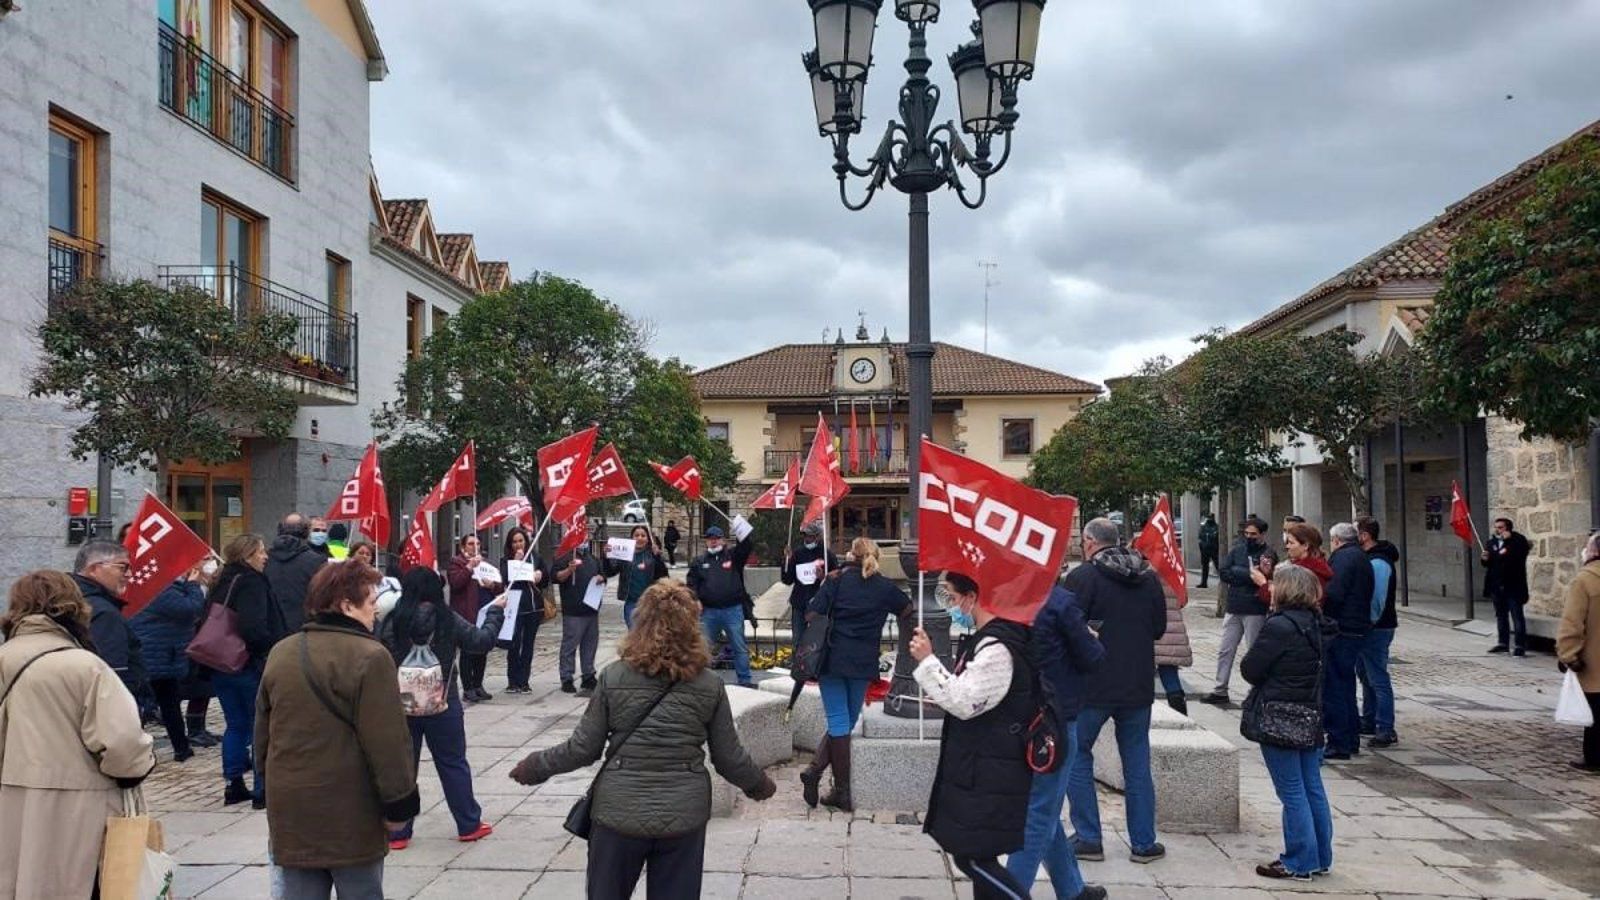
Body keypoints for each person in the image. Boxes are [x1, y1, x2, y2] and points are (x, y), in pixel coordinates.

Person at [508, 580, 776, 899]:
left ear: (641, 622)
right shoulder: (708, 685)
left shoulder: (614, 676)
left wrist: (536, 766)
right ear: (692, 626)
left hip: (618, 812)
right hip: (683, 814)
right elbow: (728, 756)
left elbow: (583, 748)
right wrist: (758, 784)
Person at [257, 560, 420, 899]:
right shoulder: (371, 656)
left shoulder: (281, 652)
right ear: (347, 606)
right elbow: (388, 742)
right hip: (350, 808)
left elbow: (262, 734)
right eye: (371, 604)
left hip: (292, 806)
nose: (375, 612)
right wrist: (399, 806)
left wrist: (268, 785)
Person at [0, 571, 158, 900]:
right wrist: (140, 765)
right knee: (77, 884)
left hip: (11, 799)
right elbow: (123, 744)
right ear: (72, 606)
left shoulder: (5, 658)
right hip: (79, 807)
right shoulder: (85, 666)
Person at [909, 572, 1036, 898]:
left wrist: (928, 662)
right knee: (977, 854)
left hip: (990, 768)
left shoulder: (997, 647)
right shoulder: (989, 637)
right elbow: (971, 695)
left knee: (972, 857)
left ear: (972, 596)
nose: (951, 605)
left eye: (951, 596)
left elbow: (966, 702)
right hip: (982, 763)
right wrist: (942, 690)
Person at [1062, 517, 1168, 865]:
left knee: (1078, 754)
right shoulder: (1148, 578)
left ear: (1090, 542)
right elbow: (1158, 628)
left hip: (1093, 682)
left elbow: (1069, 630)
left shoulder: (1082, 578)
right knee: (1137, 761)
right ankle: (1143, 842)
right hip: (1137, 683)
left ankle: (1089, 836)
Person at [380, 568, 507, 848]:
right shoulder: (447, 618)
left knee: (403, 768)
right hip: (442, 703)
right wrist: (496, 613)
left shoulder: (393, 620)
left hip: (401, 706)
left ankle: (398, 832)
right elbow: (481, 642)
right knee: (452, 764)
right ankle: (468, 823)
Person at [1008, 584, 1106, 900]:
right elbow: (1091, 657)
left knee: (1044, 806)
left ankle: (1071, 888)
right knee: (1039, 813)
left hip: (1018, 714)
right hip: (1056, 718)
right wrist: (1092, 639)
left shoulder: (1007, 594)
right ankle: (1007, 892)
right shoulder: (1059, 602)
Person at [799, 538, 911, 812]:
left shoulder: (836, 581)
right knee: (846, 722)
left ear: (851, 554)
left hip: (833, 659)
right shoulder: (885, 587)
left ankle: (836, 787)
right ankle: (825, 780)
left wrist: (822, 585)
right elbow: (907, 610)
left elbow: (811, 614)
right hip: (862, 663)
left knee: (840, 722)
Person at [1240, 563, 1336, 881]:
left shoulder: (1280, 626)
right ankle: (1320, 856)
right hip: (1310, 713)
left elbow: (1252, 668)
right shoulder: (1318, 624)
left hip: (1280, 714)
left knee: (1292, 791)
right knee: (1312, 787)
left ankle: (1299, 859)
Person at [206, 532, 288, 807]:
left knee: (235, 724)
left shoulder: (221, 579)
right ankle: (261, 789)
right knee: (260, 725)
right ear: (248, 555)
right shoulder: (252, 582)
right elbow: (253, 627)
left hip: (221, 664)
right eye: (261, 552)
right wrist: (268, 648)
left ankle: (233, 784)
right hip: (247, 665)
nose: (266, 557)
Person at [130, 563, 208, 762]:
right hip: (156, 656)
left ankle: (181, 747)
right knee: (150, 705)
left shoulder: (160, 585)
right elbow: (189, 609)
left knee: (168, 704)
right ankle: (146, 751)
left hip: (161, 656)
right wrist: (193, 585)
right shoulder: (159, 588)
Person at [1202, 517, 1272, 706]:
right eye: (1246, 534)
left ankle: (1253, 692)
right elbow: (1224, 572)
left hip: (1255, 609)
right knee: (1225, 649)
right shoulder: (1237, 551)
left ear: (1262, 535)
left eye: (1253, 534)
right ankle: (1220, 688)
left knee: (1252, 651)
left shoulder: (1267, 554)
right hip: (1234, 606)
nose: (1249, 537)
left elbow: (1266, 577)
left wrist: (1241, 573)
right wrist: (1248, 574)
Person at [72, 540, 149, 704]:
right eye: (122, 567)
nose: (129, 575)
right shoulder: (104, 612)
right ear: (94, 569)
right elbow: (112, 673)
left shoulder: (70, 599)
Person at [1321, 523, 1374, 761]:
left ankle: (1340, 741)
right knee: (1346, 684)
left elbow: (1335, 593)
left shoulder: (1344, 558)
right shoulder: (1360, 556)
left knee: (1337, 686)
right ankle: (1349, 738)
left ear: (1336, 540)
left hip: (1343, 628)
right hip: (1355, 626)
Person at [687, 523, 756, 689]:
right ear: (706, 542)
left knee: (739, 646)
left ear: (723, 540)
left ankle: (745, 680)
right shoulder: (699, 561)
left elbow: (746, 546)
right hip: (708, 612)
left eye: (717, 538)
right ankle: (702, 682)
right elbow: (691, 583)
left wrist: (741, 530)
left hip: (733, 610)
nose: (714, 542)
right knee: (704, 648)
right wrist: (695, 599)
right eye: (710, 539)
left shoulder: (733, 557)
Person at [1557, 533, 1600, 772]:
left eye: (1587, 547)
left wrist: (1568, 655)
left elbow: (1572, 623)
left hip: (1594, 662)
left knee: (1595, 713)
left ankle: (1594, 758)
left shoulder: (1585, 581)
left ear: (1593, 552)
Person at [1355, 517, 1400, 749]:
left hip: (1377, 627)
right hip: (1370, 626)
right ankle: (1370, 718)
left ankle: (1385, 726)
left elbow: (1377, 598)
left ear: (1364, 536)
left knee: (1377, 677)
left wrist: (1368, 622)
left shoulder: (1379, 562)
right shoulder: (1370, 559)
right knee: (1365, 674)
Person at [448, 533, 501, 702]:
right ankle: (468, 687)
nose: (475, 546)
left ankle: (478, 684)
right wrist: (469, 567)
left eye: (477, 543)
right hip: (466, 613)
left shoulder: (485, 565)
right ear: (463, 547)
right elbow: (456, 583)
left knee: (482, 650)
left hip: (483, 611)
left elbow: (499, 586)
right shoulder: (456, 564)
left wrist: (492, 584)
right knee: (468, 652)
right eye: (471, 544)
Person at [555, 542, 613, 694]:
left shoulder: (592, 559)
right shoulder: (565, 557)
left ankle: (588, 675)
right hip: (573, 610)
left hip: (591, 609)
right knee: (570, 645)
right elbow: (555, 577)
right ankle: (566, 677)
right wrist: (569, 570)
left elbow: (604, 574)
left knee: (590, 645)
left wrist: (602, 577)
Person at [498, 527, 549, 694]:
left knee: (528, 645)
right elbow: (505, 579)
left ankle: (524, 681)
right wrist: (516, 561)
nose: (518, 544)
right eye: (514, 541)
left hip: (533, 607)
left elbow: (546, 579)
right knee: (514, 644)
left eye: (521, 541)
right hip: (515, 607)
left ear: (526, 542)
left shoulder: (535, 557)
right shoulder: (506, 560)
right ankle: (512, 680)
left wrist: (540, 575)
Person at [782, 520, 839, 654]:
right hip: (799, 602)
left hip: (819, 604)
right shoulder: (797, 553)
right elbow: (787, 580)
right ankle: (799, 666)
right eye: (806, 536)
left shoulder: (827, 555)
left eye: (811, 536)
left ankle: (818, 666)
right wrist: (786, 561)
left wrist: (822, 577)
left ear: (817, 537)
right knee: (798, 639)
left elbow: (836, 579)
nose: (808, 539)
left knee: (819, 639)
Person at [265, 513, 326, 633]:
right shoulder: (316, 561)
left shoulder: (264, 559)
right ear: (307, 532)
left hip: (270, 630)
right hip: (304, 630)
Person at [1483, 518, 1532, 655]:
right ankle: (1503, 643)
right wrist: (1485, 559)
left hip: (1513, 586)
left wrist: (1510, 540)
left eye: (1501, 527)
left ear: (1508, 528)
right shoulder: (1492, 542)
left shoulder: (1518, 541)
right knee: (1501, 615)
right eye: (1496, 527)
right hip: (1497, 586)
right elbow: (1489, 564)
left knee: (1517, 615)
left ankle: (1519, 646)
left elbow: (1521, 553)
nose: (1498, 530)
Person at [618, 524, 670, 630]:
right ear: (632, 538)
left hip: (650, 603)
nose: (639, 538)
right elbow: (611, 570)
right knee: (635, 635)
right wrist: (606, 556)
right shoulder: (625, 555)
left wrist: (657, 557)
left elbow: (664, 576)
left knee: (649, 636)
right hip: (632, 604)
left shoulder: (652, 555)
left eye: (643, 535)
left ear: (648, 539)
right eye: (636, 535)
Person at [1154, 577, 1194, 715]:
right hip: (1172, 629)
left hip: (1151, 628)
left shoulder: (1143, 573)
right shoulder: (1172, 572)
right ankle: (1180, 713)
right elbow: (1183, 599)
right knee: (1169, 671)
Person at [1264, 523, 1333, 598]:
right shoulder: (1314, 566)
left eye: (1291, 543)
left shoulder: (1306, 572)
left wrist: (1263, 584)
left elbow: (1286, 599)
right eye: (1287, 543)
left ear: (1305, 546)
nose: (1287, 546)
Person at [1198, 512, 1220, 589]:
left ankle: (1223, 582)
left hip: (1214, 549)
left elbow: (1217, 538)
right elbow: (1200, 537)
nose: (1210, 519)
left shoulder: (1216, 527)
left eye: (1211, 517)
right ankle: (1204, 583)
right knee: (1205, 567)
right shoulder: (1204, 527)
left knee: (1218, 566)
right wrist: (1201, 547)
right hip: (1205, 550)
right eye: (1209, 517)